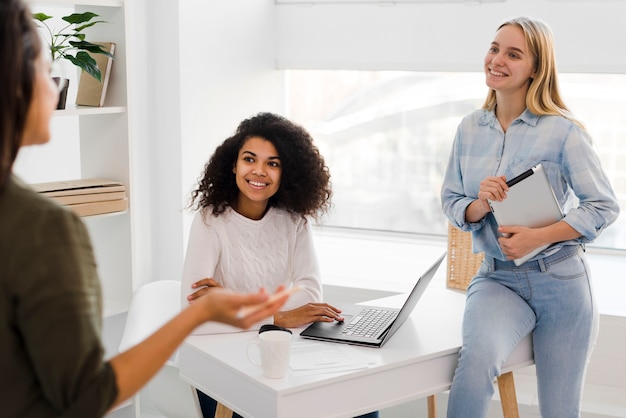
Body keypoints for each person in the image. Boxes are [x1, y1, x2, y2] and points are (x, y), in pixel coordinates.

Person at [0, 1, 289, 417]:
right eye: (48, 72)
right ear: (13, 85)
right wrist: (202, 311)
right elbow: (85, 397)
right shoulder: (42, 230)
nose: (57, 86)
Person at [441, 16, 620, 418]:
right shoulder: (469, 129)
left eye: (513, 54)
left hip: (562, 281)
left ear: (536, 69)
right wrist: (480, 204)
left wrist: (539, 237)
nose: (497, 60)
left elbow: (603, 206)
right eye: (494, 48)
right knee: (473, 367)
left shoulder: (563, 132)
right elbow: (452, 200)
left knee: (558, 410)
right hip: (497, 278)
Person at [181, 112, 378, 418]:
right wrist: (278, 316)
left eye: (273, 163)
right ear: (233, 164)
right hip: (225, 366)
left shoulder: (293, 221)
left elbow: (310, 294)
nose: (259, 171)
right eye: (249, 159)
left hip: (280, 354)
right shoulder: (210, 221)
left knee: (360, 401)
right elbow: (195, 316)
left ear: (286, 172)